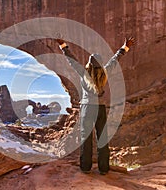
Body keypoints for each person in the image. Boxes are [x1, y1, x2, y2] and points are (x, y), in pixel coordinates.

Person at [57, 37, 135, 175]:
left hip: (87, 108)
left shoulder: (84, 73)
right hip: (100, 109)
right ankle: (104, 169)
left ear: (89, 64)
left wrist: (63, 45)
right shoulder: (104, 73)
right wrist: (124, 48)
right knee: (102, 138)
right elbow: (114, 61)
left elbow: (72, 60)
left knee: (85, 139)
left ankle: (85, 167)